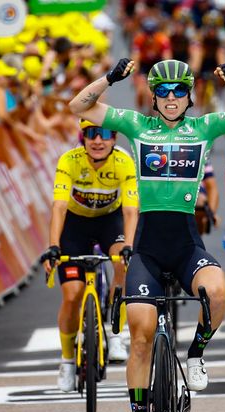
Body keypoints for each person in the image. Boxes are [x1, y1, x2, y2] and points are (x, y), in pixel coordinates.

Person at [69, 57, 225, 412]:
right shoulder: (137, 125)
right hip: (146, 246)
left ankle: (196, 354)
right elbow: (80, 107)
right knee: (141, 336)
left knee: (216, 292)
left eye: (179, 90)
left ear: (189, 94)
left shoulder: (204, 127)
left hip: (185, 243)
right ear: (153, 95)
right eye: (162, 91)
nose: (171, 98)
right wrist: (110, 79)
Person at [42, 120, 139, 392]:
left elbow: (131, 211)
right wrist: (53, 247)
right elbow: (59, 207)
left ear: (114, 138)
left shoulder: (123, 162)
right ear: (82, 137)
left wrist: (129, 245)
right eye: (92, 135)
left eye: (105, 135)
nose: (98, 141)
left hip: (111, 222)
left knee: (123, 261)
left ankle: (118, 334)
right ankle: (67, 361)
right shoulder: (69, 161)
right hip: (76, 226)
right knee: (72, 295)